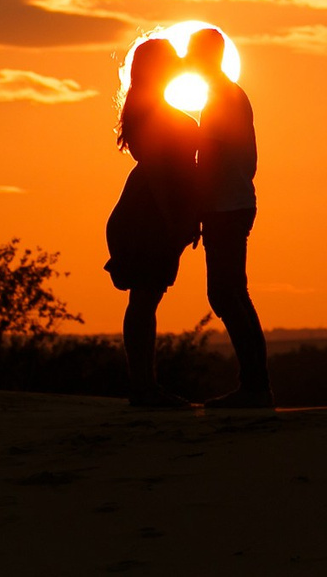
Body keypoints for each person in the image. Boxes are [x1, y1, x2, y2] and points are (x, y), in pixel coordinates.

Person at [103, 34, 202, 408]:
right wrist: (176, 220)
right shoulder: (155, 114)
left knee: (145, 300)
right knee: (144, 300)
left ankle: (144, 385)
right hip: (147, 216)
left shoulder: (148, 110)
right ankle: (143, 388)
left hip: (147, 212)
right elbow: (162, 177)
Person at [185, 26, 272, 409]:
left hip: (225, 206)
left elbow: (211, 160)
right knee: (234, 293)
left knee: (224, 294)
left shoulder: (221, 98)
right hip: (236, 202)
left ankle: (254, 386)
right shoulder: (230, 95)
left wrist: (198, 208)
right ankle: (255, 384)